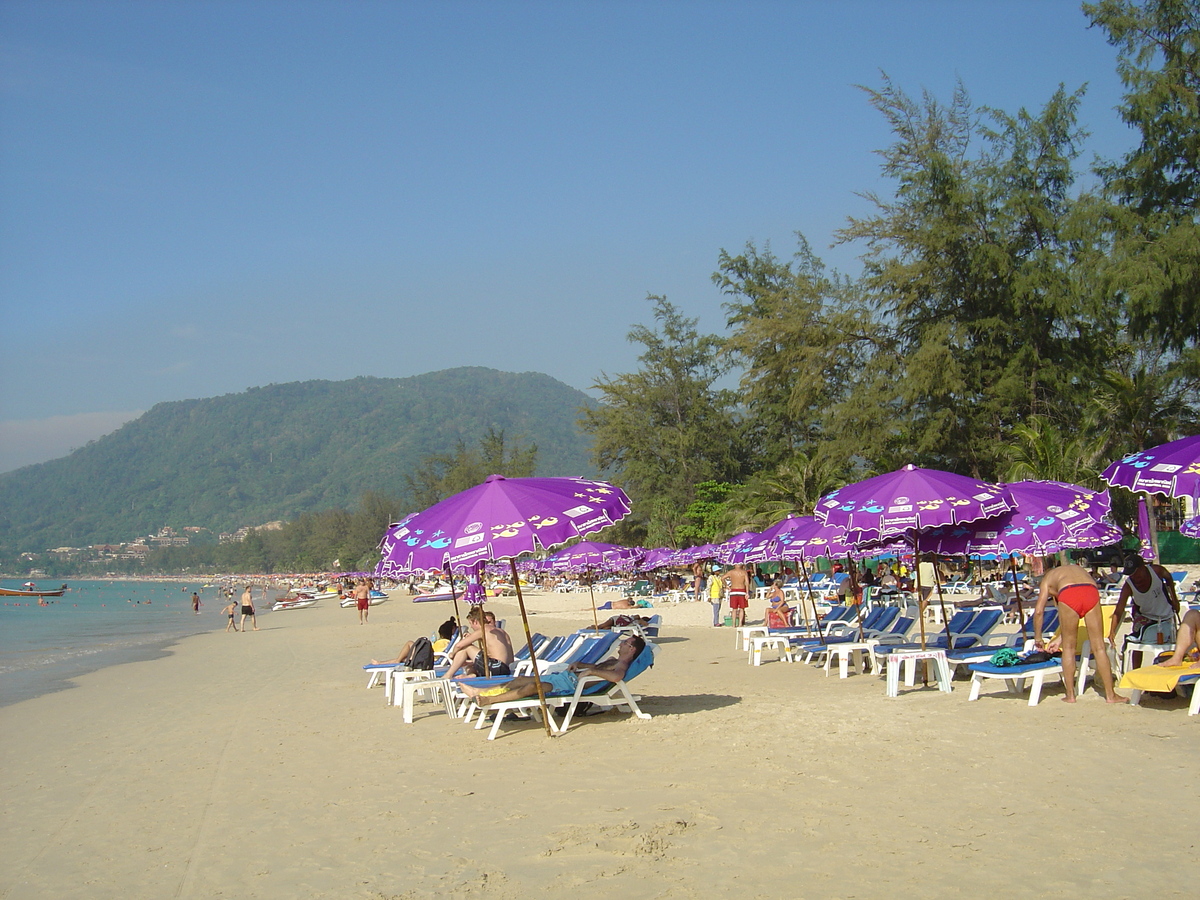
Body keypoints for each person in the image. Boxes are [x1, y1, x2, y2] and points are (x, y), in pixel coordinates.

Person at [457, 634, 647, 707]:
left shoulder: (621, 665)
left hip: (568, 686)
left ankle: (489, 700)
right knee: (520, 680)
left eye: (626, 642)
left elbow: (616, 677)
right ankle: (480, 692)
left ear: (631, 650)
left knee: (533, 687)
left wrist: (591, 673)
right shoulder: (614, 659)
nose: (621, 643)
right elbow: (596, 668)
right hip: (564, 677)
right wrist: (582, 665)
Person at [1032, 563, 1125, 704]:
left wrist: (1038, 637)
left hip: (1068, 592)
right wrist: (1059, 639)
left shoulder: (1047, 580)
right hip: (1090, 590)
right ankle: (1111, 695)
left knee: (1069, 648)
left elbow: (1039, 611)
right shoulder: (1076, 569)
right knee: (1099, 647)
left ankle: (1070, 695)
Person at [1109, 556, 1180, 666]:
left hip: (1166, 614)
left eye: (1135, 573)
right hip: (1145, 616)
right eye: (1130, 574)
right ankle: (1136, 670)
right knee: (1136, 639)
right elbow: (1119, 610)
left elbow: (1169, 579)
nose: (1133, 577)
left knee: (1170, 643)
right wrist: (1112, 632)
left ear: (1142, 567)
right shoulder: (1129, 586)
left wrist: (1174, 599)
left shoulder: (1156, 571)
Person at [440, 608, 515, 679]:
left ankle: (448, 675)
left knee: (467, 647)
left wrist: (452, 654)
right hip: (506, 669)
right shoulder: (502, 632)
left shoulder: (483, 630)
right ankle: (471, 675)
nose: (471, 627)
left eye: (471, 623)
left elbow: (459, 645)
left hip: (496, 668)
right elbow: (504, 657)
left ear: (475, 621)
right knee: (471, 665)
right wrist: (470, 663)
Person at [371, 618, 457, 666]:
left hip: (426, 658)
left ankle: (386, 662)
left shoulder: (443, 642)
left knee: (409, 643)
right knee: (403, 658)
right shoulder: (446, 642)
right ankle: (381, 663)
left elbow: (436, 653)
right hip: (427, 656)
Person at [727, 564, 750, 629]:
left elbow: (722, 578)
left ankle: (734, 624)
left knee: (734, 609)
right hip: (742, 590)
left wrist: (727, 585)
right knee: (742, 608)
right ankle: (740, 624)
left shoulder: (731, 572)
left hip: (733, 590)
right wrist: (747, 592)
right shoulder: (744, 572)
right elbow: (747, 583)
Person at [584, 614, 651, 631]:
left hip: (619, 624)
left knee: (605, 628)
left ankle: (590, 628)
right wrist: (641, 620)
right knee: (600, 627)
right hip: (616, 620)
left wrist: (642, 621)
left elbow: (646, 624)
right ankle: (591, 628)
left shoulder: (639, 621)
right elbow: (637, 616)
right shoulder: (637, 619)